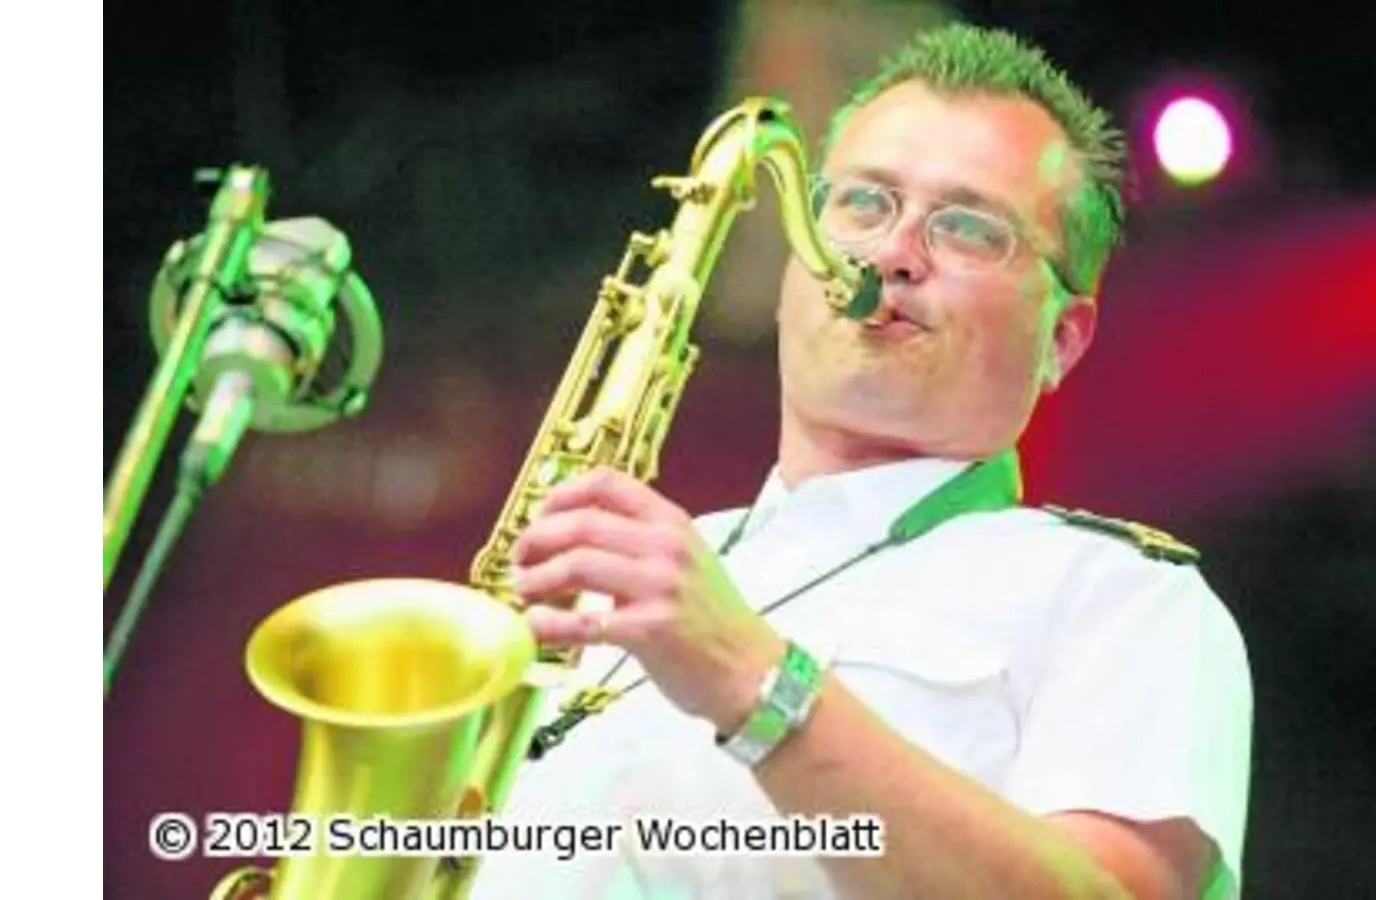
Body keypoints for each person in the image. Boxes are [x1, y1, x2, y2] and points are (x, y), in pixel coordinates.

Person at [472, 22, 1252, 900]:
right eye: (862, 205)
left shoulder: (1118, 596)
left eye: (966, 228)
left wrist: (752, 681)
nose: (891, 254)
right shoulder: (635, 570)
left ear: (1063, 340)